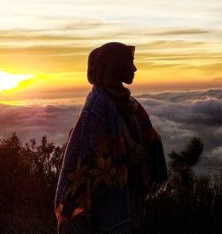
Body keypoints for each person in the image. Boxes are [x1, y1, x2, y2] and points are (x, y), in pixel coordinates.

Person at [55, 42, 168, 233]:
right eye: (129, 62)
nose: (134, 68)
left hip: (131, 202)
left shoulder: (127, 103)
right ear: (115, 66)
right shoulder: (97, 110)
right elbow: (88, 167)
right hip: (106, 211)